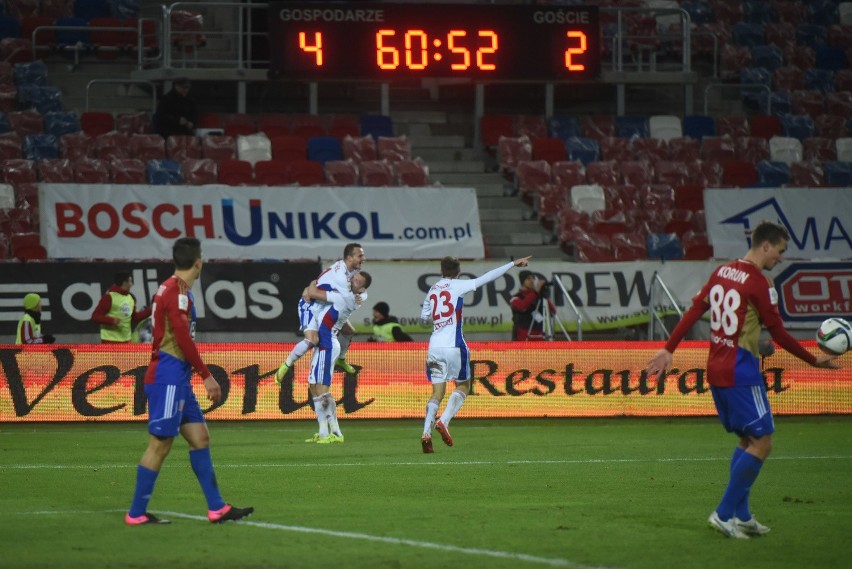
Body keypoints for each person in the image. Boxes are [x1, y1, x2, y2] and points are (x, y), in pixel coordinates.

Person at [645, 221, 839, 539]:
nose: (780, 257)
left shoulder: (722, 272)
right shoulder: (758, 283)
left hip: (718, 369)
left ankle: (743, 515)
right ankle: (723, 514)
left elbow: (695, 309)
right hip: (741, 371)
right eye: (780, 250)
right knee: (763, 442)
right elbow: (777, 332)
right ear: (766, 246)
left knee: (747, 440)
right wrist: (813, 360)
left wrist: (669, 348)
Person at [126, 237, 253, 525]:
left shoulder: (171, 288)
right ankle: (136, 513)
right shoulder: (178, 292)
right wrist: (207, 375)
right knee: (159, 444)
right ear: (199, 261)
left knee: (200, 437)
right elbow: (182, 338)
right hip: (167, 379)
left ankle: (217, 508)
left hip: (177, 379)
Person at [419, 255, 531, 453]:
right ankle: (443, 421)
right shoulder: (458, 286)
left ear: (441, 271)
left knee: (437, 392)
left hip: (434, 346)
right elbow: (487, 277)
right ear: (459, 272)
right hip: (454, 345)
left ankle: (426, 433)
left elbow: (424, 316)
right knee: (464, 385)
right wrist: (513, 264)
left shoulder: (433, 289)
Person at [274, 243, 366, 384]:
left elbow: (357, 290)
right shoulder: (341, 277)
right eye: (360, 256)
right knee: (313, 340)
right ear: (349, 258)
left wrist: (312, 284)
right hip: (311, 305)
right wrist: (310, 288)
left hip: (326, 306)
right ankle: (285, 366)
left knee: (348, 331)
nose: (363, 259)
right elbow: (313, 293)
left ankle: (340, 360)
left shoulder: (349, 270)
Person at [302, 271, 372, 443]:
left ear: (361, 288)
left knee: (323, 390)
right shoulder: (349, 294)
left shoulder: (345, 297)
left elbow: (313, 290)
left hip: (328, 343)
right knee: (313, 386)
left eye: (357, 280)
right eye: (353, 277)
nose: (352, 279)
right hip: (324, 344)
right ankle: (323, 431)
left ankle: (335, 432)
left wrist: (309, 287)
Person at [91, 271, 152, 343]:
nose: (131, 284)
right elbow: (95, 316)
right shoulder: (109, 297)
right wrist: (111, 320)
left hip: (126, 341)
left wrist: (152, 309)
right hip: (110, 341)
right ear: (124, 283)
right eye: (130, 281)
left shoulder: (130, 298)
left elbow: (135, 318)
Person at [510, 270, 556, 341]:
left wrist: (544, 295)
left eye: (533, 278)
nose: (532, 281)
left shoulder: (538, 296)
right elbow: (522, 306)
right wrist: (536, 292)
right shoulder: (516, 297)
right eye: (528, 279)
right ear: (522, 281)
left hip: (539, 334)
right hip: (523, 335)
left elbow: (552, 312)